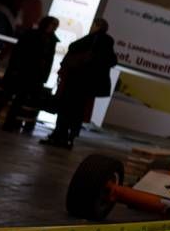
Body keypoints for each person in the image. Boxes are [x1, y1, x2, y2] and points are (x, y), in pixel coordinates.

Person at [44, 17, 118, 148]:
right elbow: (112, 61)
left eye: (93, 25)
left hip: (76, 81)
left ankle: (58, 135)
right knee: (78, 112)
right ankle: (70, 138)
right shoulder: (108, 42)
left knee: (65, 109)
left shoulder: (92, 39)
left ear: (97, 26)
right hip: (89, 86)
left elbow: (73, 47)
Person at [0, 15, 58, 133]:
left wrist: (43, 77)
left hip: (32, 75)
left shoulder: (51, 40)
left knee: (18, 101)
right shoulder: (33, 35)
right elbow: (18, 52)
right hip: (21, 71)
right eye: (52, 24)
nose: (53, 27)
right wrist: (14, 68)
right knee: (6, 96)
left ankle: (7, 123)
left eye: (55, 25)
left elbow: (48, 61)